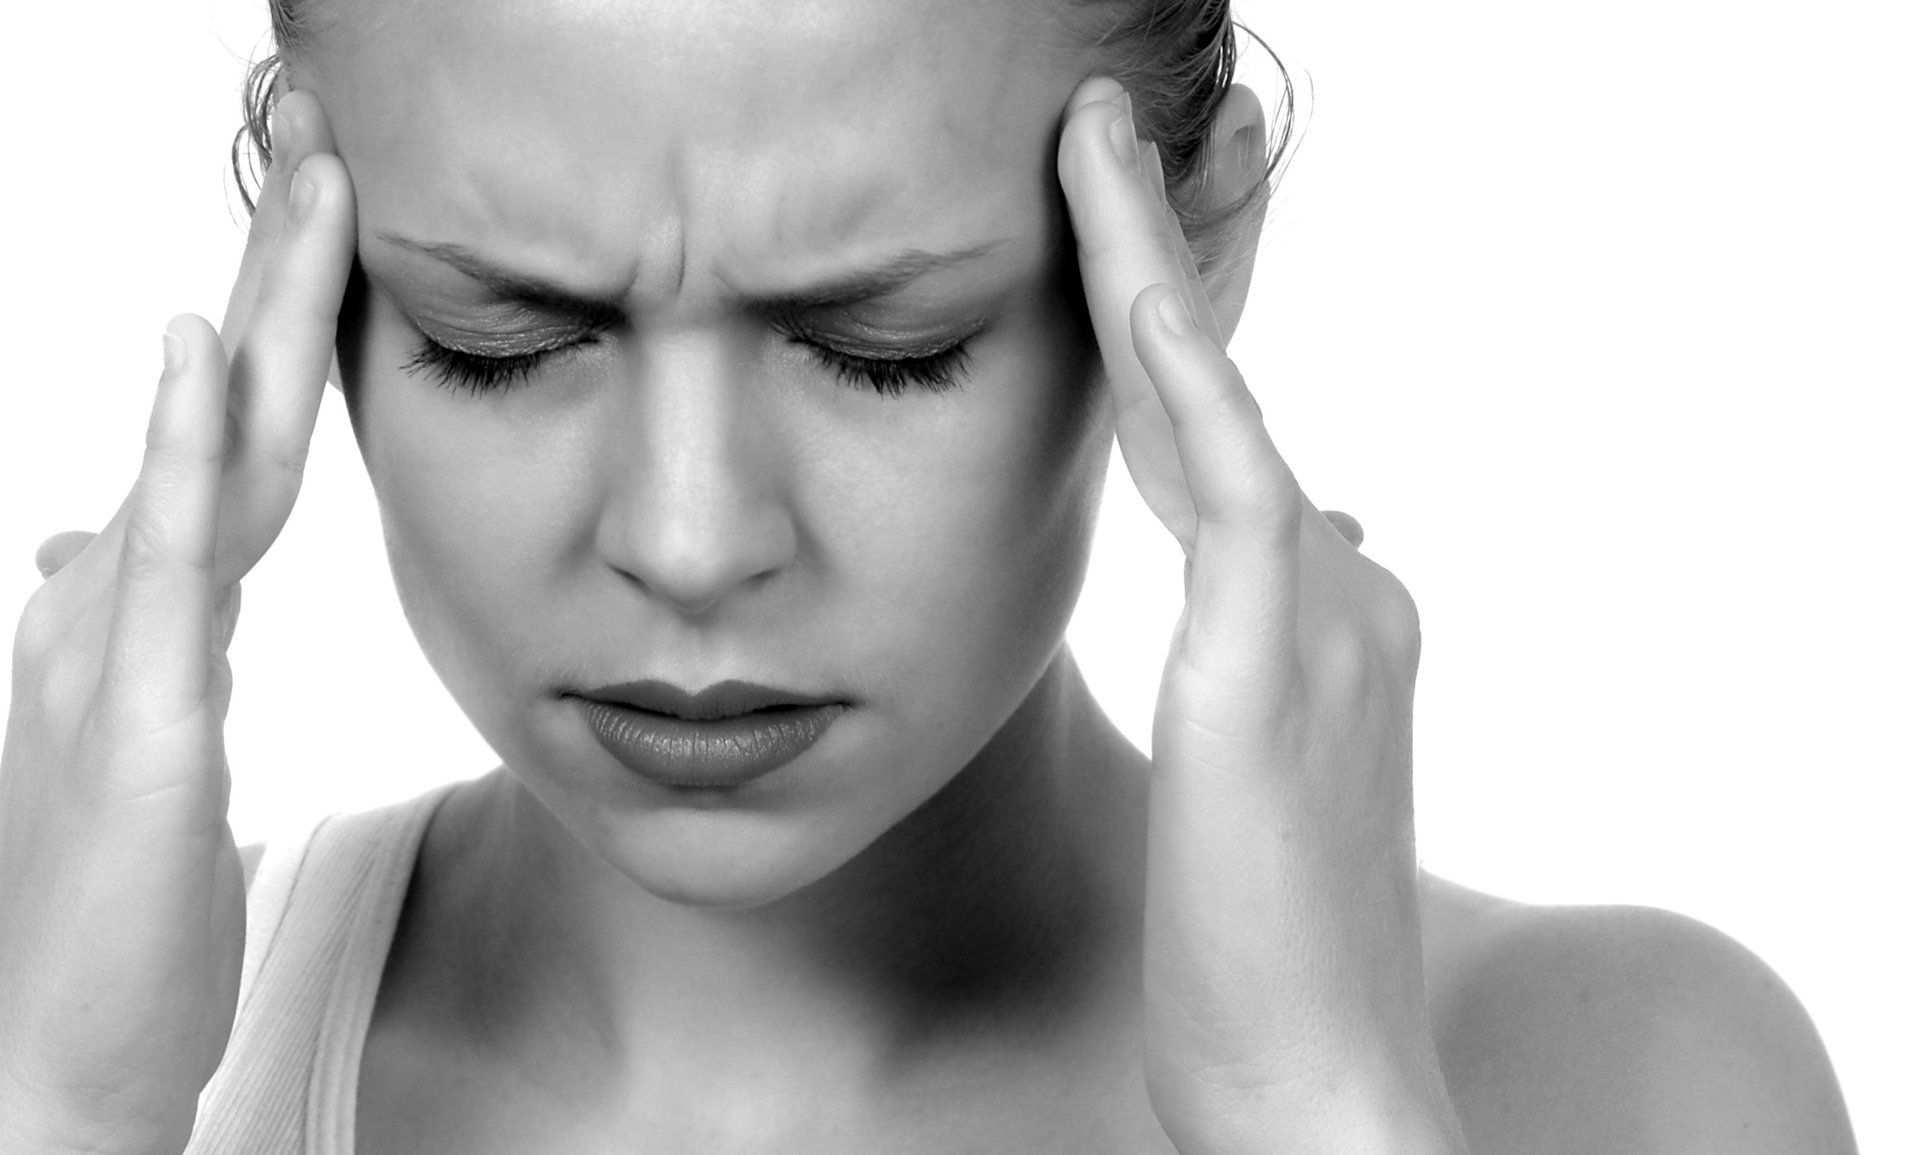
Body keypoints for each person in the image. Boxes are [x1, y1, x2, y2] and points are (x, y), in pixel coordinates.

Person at [0, 0, 1858, 1150]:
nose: (691, 536)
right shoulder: (85, 1063)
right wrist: (66, 1115)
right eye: (499, 337)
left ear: (1191, 242)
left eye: (880, 346)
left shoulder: (1624, 1091)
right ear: (310, 299)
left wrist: (1317, 1122)